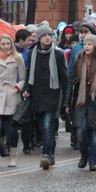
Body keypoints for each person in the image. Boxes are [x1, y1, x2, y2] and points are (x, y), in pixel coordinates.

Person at [65, 35, 96, 171]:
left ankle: (93, 162)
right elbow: (71, 81)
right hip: (80, 101)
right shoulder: (78, 60)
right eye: (85, 44)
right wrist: (67, 103)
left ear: (95, 46)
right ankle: (84, 155)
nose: (87, 46)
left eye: (90, 44)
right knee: (81, 131)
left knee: (95, 132)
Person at [23, 26, 67, 170]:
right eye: (44, 35)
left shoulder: (58, 55)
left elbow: (64, 78)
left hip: (52, 97)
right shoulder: (31, 54)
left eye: (50, 35)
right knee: (43, 129)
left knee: (48, 127)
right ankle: (51, 152)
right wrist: (26, 89)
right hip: (36, 97)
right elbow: (28, 75)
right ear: (39, 38)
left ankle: (46, 155)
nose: (48, 37)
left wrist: (67, 100)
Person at [0, 34, 26, 168]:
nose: (6, 46)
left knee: (10, 128)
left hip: (11, 94)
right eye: (3, 44)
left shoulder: (18, 57)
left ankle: (12, 155)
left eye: (8, 43)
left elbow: (23, 77)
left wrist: (18, 87)